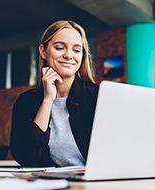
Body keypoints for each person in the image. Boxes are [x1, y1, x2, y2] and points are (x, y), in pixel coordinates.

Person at [10, 20, 99, 167]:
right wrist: (48, 99)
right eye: (59, 48)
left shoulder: (96, 96)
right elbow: (27, 157)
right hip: (51, 184)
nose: (69, 55)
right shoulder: (26, 101)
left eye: (76, 50)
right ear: (43, 51)